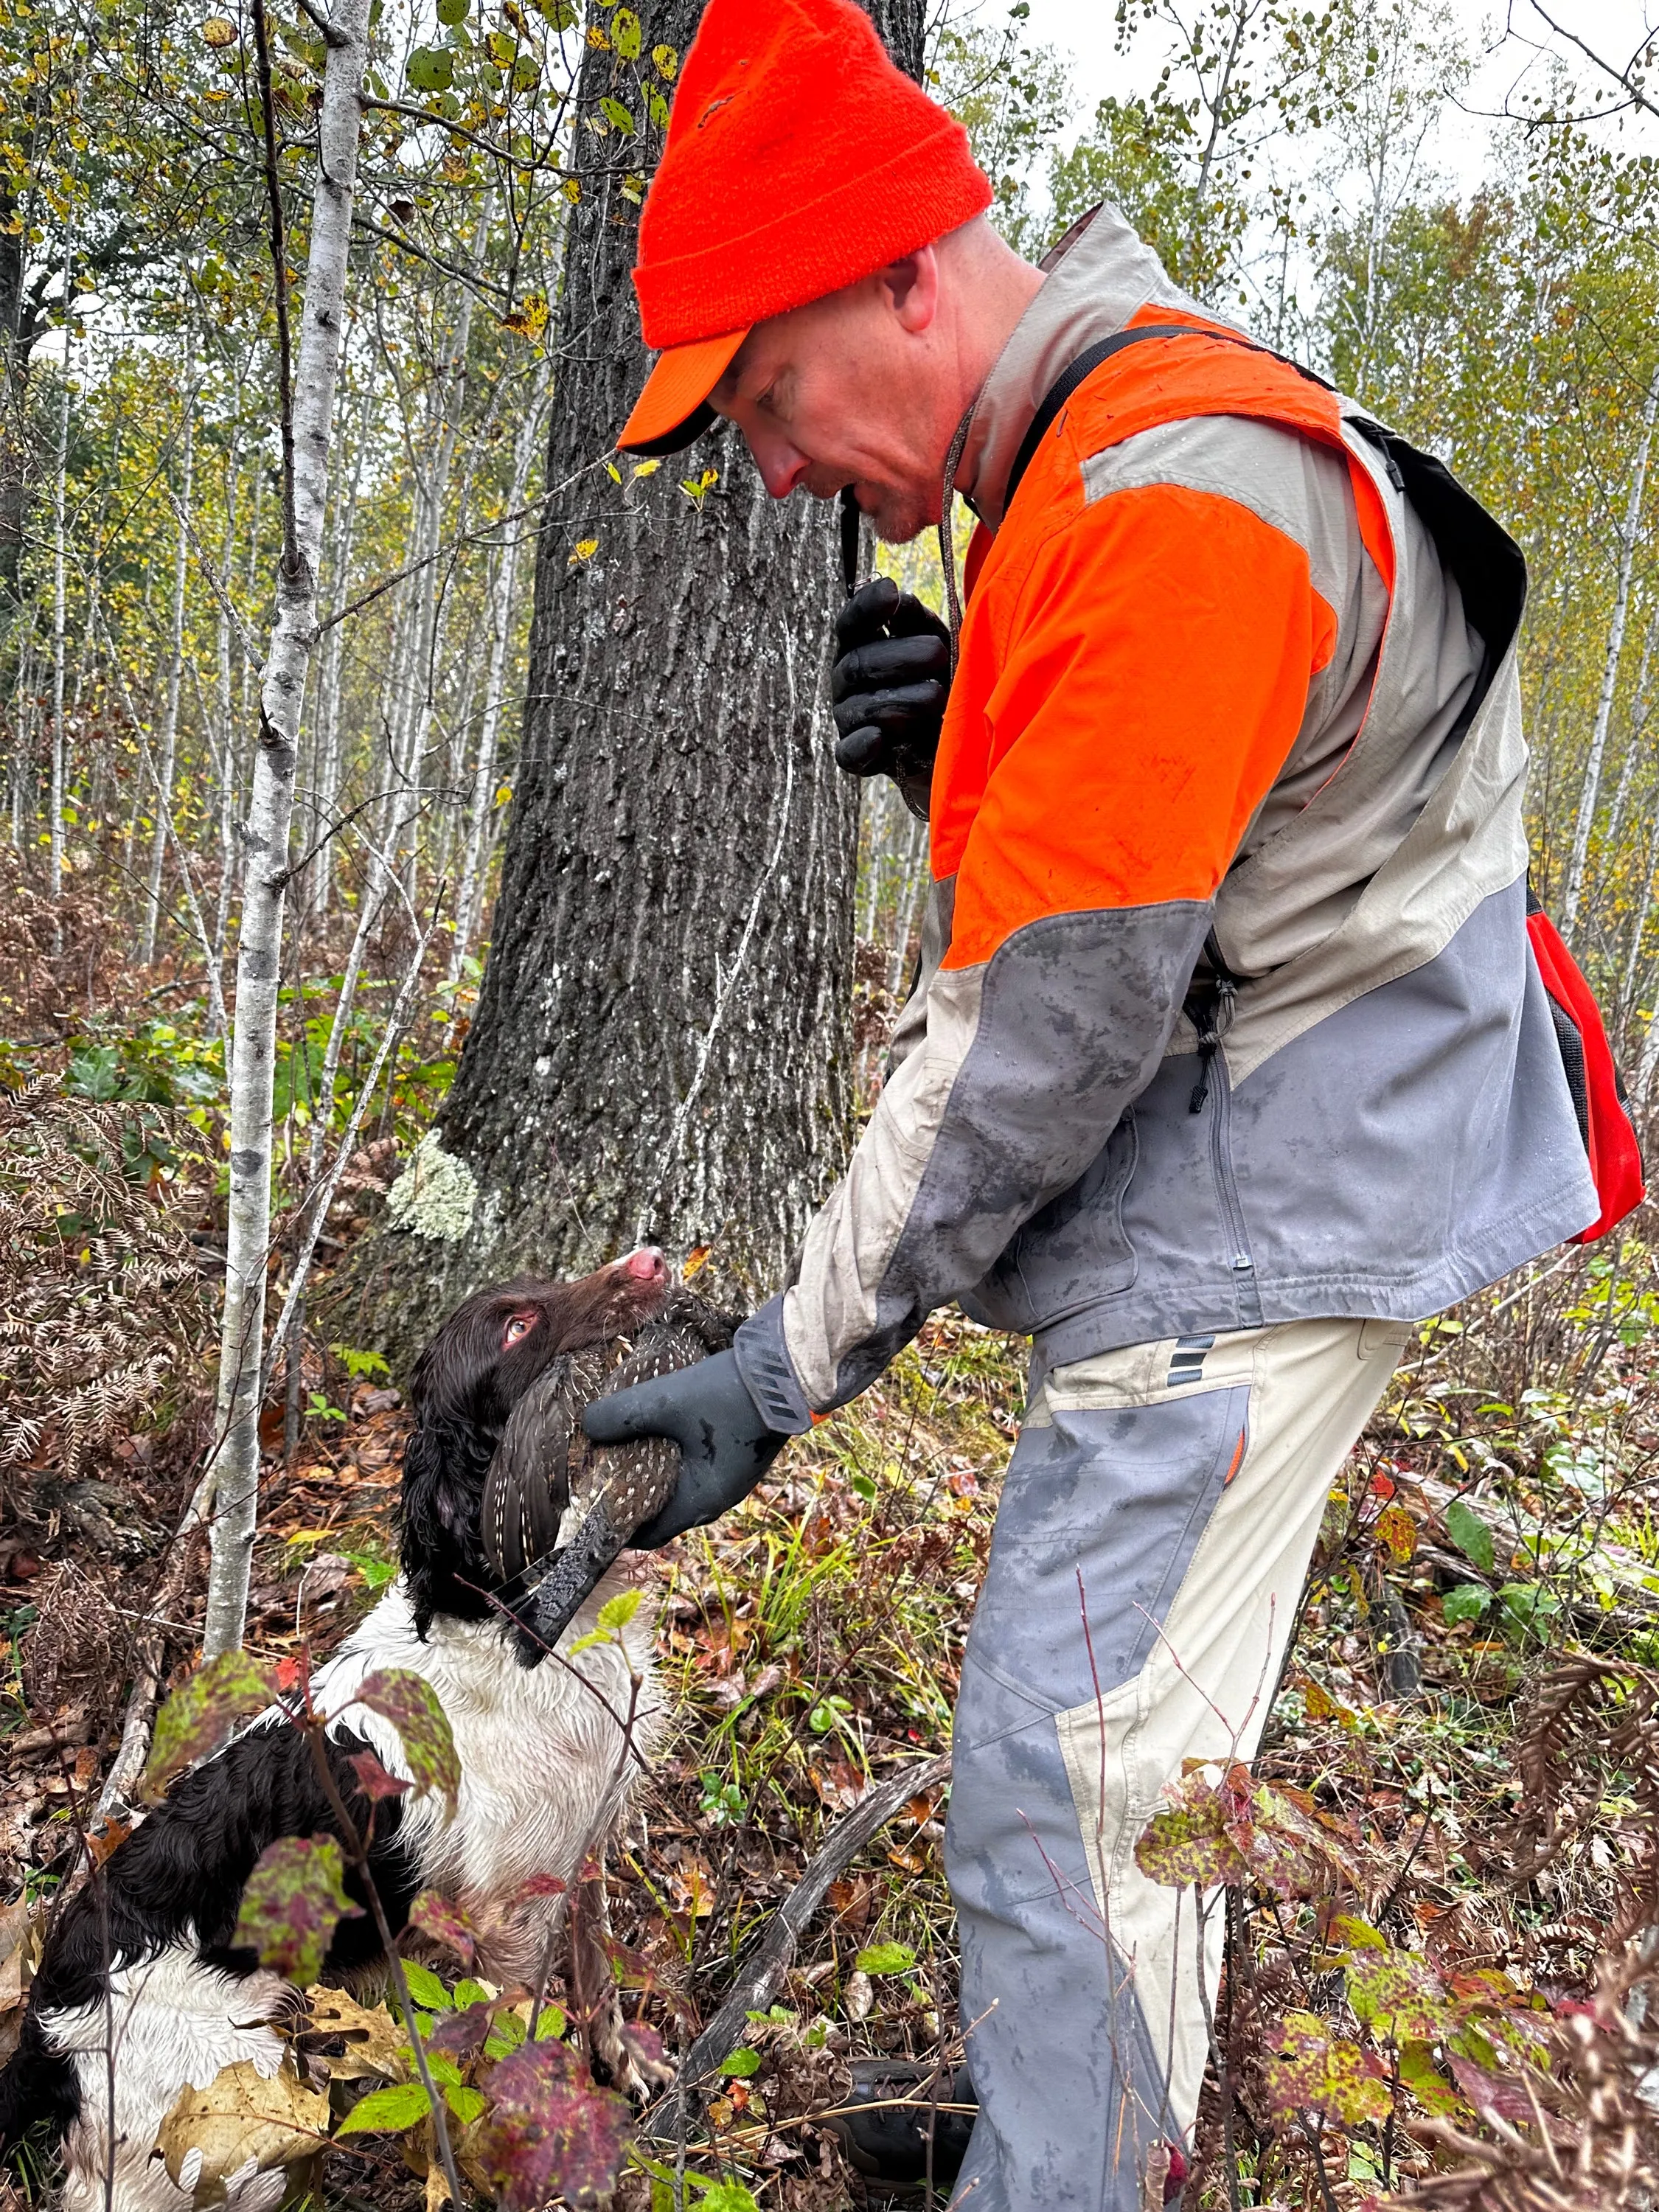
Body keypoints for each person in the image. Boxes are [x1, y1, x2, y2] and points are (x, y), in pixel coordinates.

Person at [580, 0, 1608, 2202]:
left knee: (1076, 1776)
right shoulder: (1112, 473)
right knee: (1147, 1760)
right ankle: (1091, 2130)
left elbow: (1046, 1025)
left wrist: (787, 1363)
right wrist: (976, 742)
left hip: (1263, 1213)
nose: (768, 469)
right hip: (1286, 1155)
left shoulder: (1159, 500)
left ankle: (1066, 2174)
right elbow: (1203, 854)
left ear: (908, 279)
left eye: (766, 396)